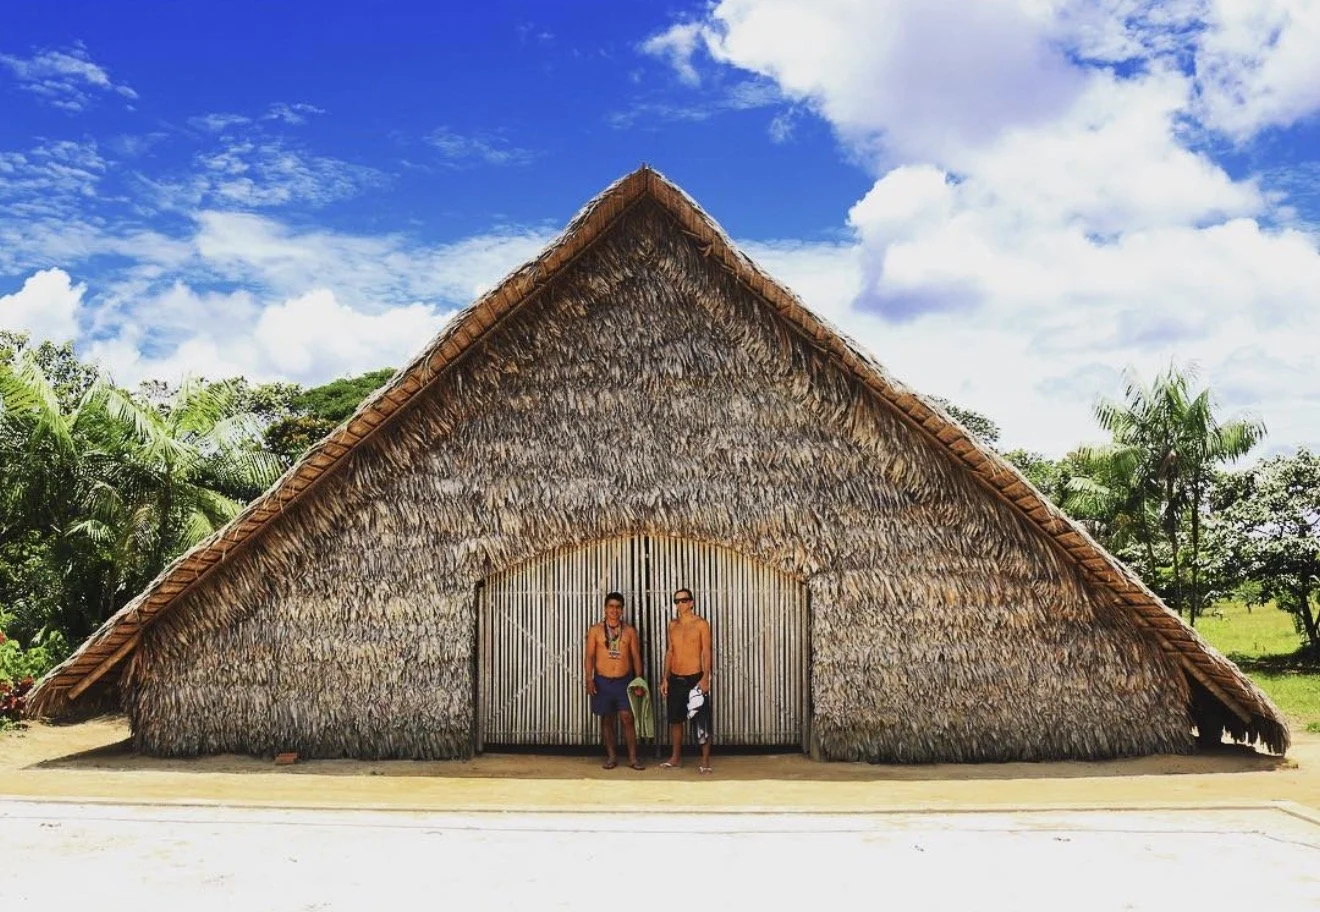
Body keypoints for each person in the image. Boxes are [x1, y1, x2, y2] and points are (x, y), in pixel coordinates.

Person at [584, 591, 645, 770]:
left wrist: (639, 680)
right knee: (607, 719)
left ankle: (633, 758)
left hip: (623, 681)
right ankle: (611, 757)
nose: (614, 610)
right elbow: (589, 657)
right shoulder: (595, 630)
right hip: (602, 681)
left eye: (618, 607)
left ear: (622, 610)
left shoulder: (629, 631)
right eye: (611, 606)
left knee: (627, 718)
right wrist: (589, 679)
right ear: (605, 609)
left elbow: (636, 657)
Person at [659, 587, 713, 773]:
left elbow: (706, 651)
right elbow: (670, 652)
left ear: (691, 602)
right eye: (677, 601)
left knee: (701, 720)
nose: (680, 604)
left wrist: (705, 677)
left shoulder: (701, 624)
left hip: (695, 677)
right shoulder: (672, 625)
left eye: (683, 600)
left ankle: (705, 761)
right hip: (676, 677)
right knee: (676, 720)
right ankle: (675, 757)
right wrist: (665, 678)